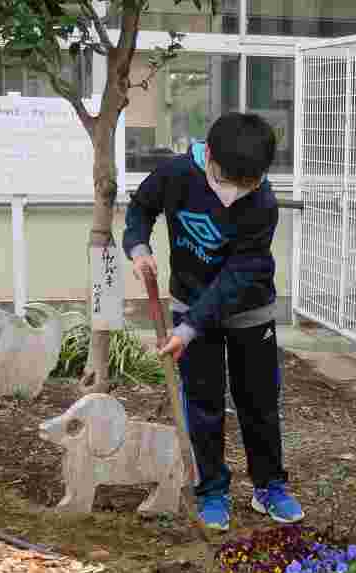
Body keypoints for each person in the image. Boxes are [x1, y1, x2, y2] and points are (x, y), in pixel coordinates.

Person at [122, 112, 303, 532]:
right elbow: (141, 208)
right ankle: (213, 490)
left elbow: (237, 277)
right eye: (228, 180)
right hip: (190, 300)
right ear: (211, 158)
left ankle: (269, 486)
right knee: (202, 402)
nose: (234, 193)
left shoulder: (262, 203)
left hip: (248, 309)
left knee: (257, 401)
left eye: (247, 184)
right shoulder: (176, 174)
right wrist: (138, 246)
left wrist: (188, 330)